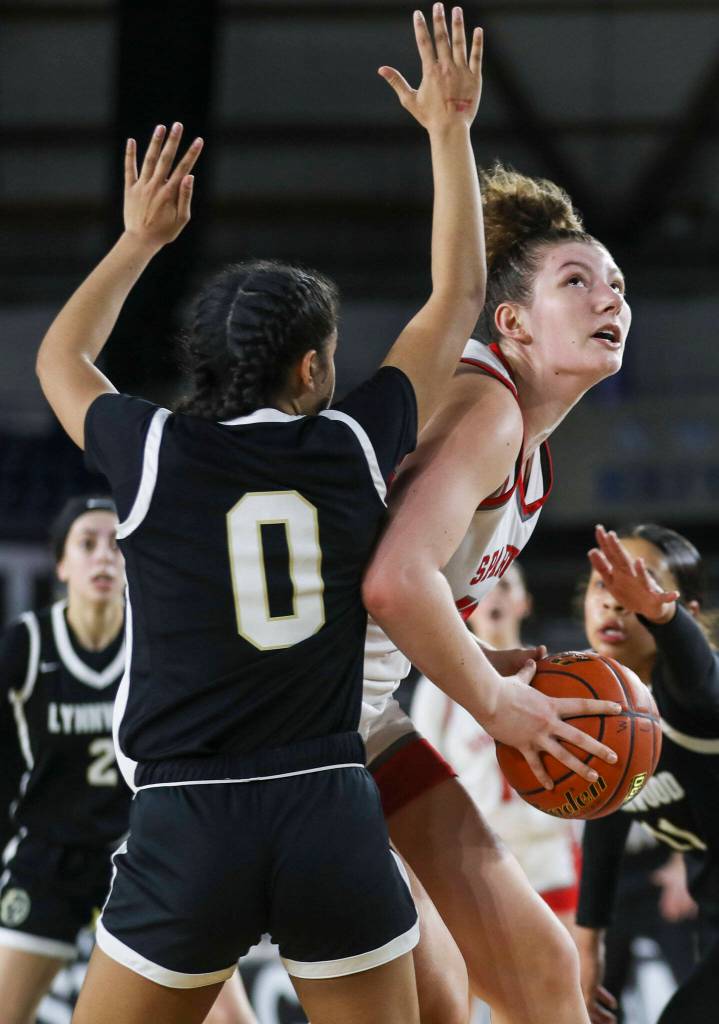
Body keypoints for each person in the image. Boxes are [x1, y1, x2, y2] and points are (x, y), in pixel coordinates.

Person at [33, 8, 496, 1023]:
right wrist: (449, 134)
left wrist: (137, 239)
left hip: (188, 820)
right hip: (326, 806)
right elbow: (455, 295)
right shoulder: (350, 441)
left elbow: (58, 360)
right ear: (312, 366)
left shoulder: (151, 449)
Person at [361, 163, 631, 1023]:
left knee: (541, 979)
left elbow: (397, 590)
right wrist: (494, 704)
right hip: (273, 719)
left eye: (617, 285)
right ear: (511, 321)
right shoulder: (487, 410)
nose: (609, 301)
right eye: (577, 282)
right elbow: (391, 584)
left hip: (355, 714)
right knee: (438, 996)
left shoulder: (532, 451)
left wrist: (481, 658)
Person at [575, 524, 719, 1024]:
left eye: (639, 585)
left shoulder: (693, 693)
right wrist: (588, 944)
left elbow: (701, 673)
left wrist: (663, 615)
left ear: (689, 614)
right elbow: (606, 817)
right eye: (603, 585)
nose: (615, 602)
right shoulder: (605, 712)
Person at [0, 496, 128, 1024]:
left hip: (136, 857)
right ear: (61, 564)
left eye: (117, 546)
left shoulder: (157, 643)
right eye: (88, 544)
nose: (104, 558)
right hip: (49, 856)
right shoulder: (25, 645)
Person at [411, 563, 581, 936]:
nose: (495, 595)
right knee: (471, 989)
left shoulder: (560, 677)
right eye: (484, 588)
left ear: (525, 603)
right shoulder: (439, 685)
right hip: (478, 856)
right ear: (466, 608)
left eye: (505, 585)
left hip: (547, 851)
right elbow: (423, 777)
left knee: (567, 983)